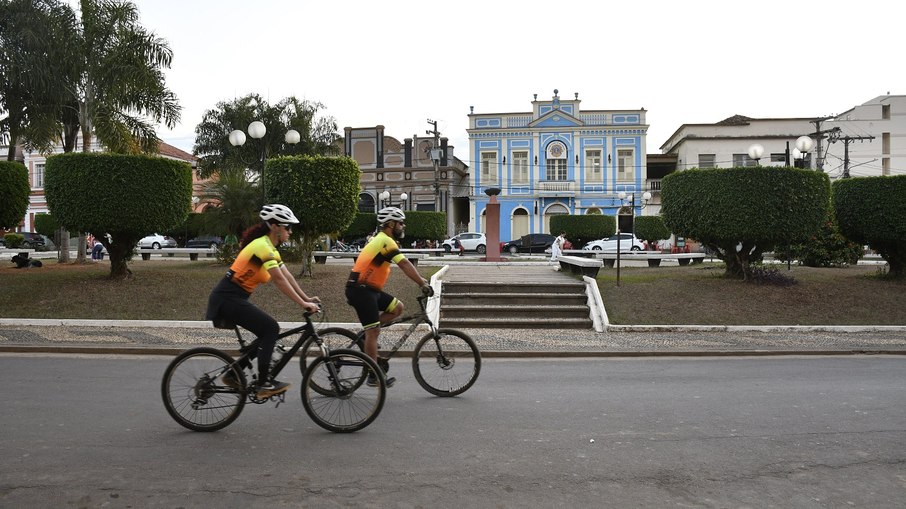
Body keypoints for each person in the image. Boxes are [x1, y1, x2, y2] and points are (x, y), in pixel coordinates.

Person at [205, 204, 320, 399]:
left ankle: (233, 374)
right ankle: (264, 383)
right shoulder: (262, 246)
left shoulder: (270, 248)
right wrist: (303, 305)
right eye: (288, 227)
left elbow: (288, 276)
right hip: (227, 298)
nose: (291, 231)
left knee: (264, 336)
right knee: (271, 329)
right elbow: (279, 280)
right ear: (275, 226)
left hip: (234, 298)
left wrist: (306, 298)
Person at [346, 207, 433, 387]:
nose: (403, 226)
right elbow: (404, 264)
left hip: (369, 290)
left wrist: (421, 280)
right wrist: (422, 283)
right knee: (374, 331)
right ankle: (372, 374)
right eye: (400, 223)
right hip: (361, 290)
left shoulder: (383, 240)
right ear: (391, 224)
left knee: (397, 308)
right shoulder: (385, 241)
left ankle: (364, 336)